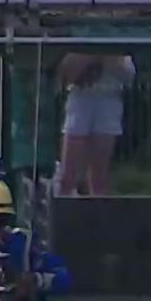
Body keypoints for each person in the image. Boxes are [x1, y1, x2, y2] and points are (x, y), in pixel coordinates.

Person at [57, 54, 135, 196]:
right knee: (68, 174)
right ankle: (63, 211)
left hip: (109, 98)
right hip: (80, 98)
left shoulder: (116, 46)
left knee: (100, 175)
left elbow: (128, 76)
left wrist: (109, 59)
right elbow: (65, 73)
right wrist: (89, 57)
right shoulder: (79, 44)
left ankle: (99, 215)